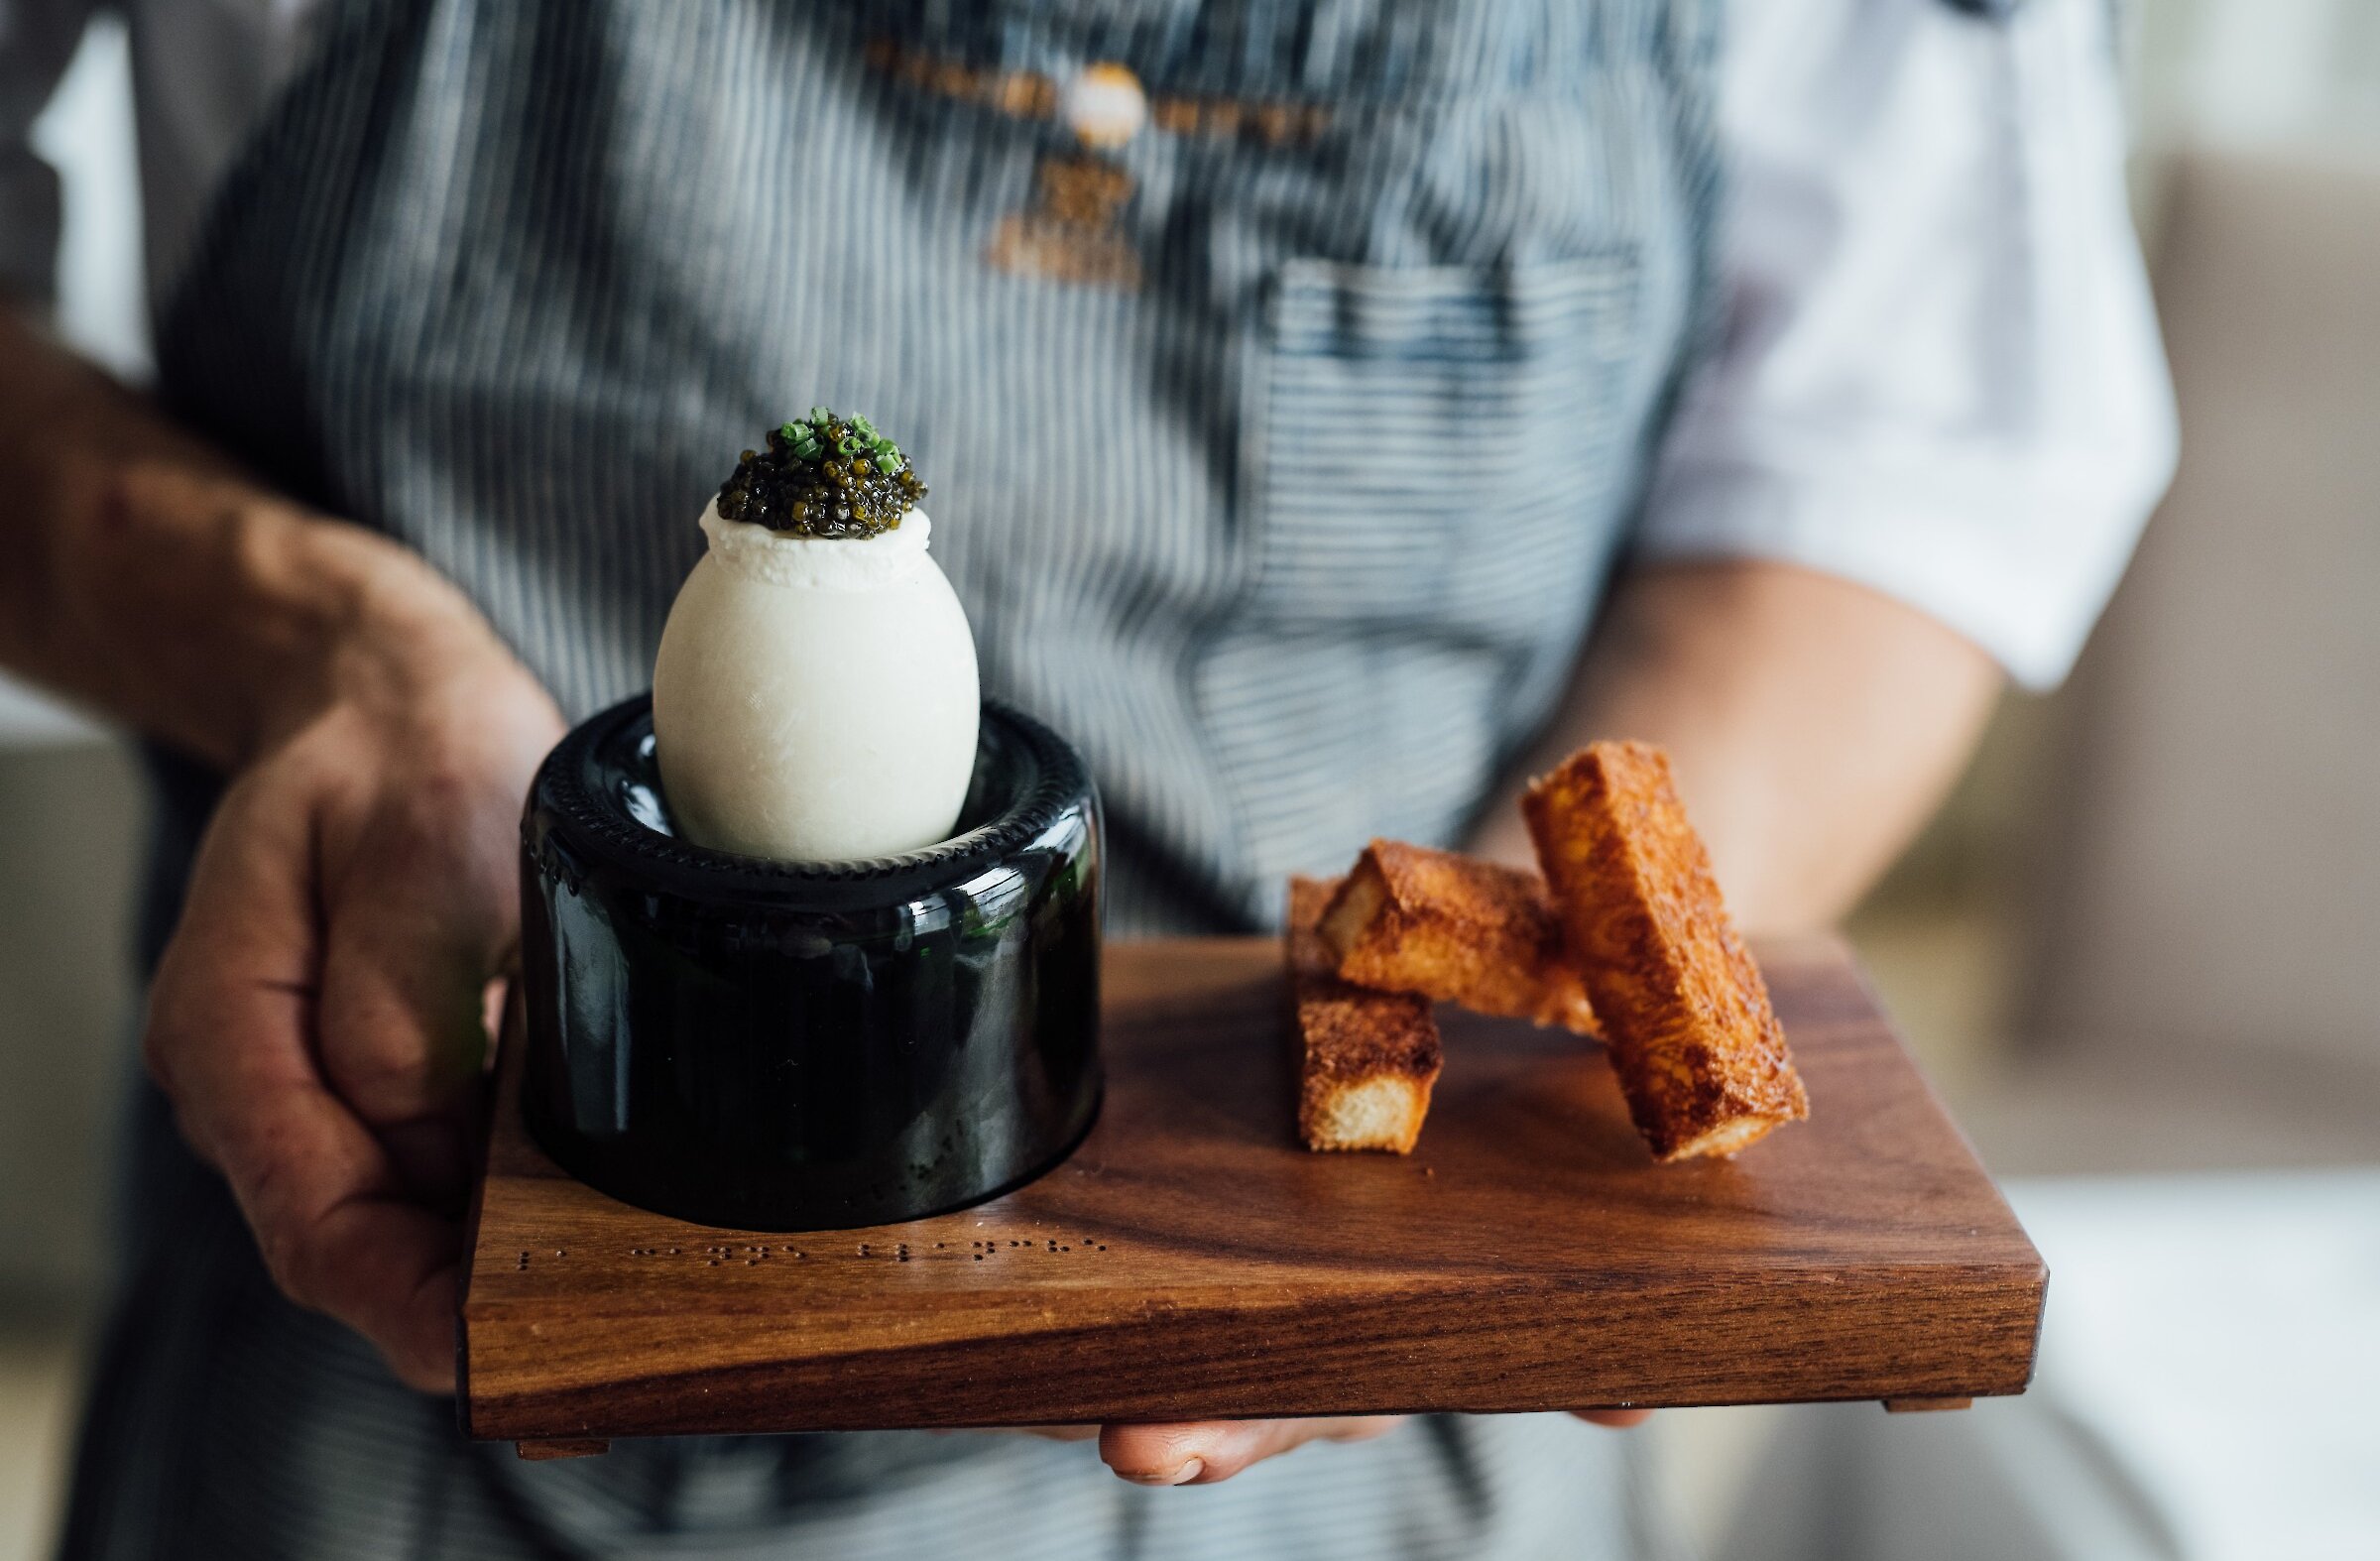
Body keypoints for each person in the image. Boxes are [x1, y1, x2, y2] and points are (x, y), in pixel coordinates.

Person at [0, 0, 2173, 1556]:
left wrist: (1493, 1158)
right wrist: (315, 646)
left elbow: (1898, 469)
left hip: (1367, 1414)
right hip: (431, 1337)